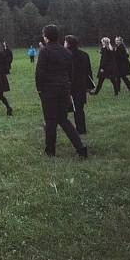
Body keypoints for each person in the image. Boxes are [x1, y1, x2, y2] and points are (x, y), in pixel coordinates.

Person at [36, 25, 88, 159]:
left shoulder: (45, 51)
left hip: (49, 90)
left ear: (46, 37)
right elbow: (71, 73)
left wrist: (40, 89)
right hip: (64, 89)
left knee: (50, 121)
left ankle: (50, 151)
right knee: (63, 119)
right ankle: (80, 148)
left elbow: (40, 73)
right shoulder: (66, 52)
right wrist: (68, 87)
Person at [65, 35, 94, 134]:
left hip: (69, 85)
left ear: (68, 43)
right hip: (81, 86)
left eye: (65, 42)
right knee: (79, 109)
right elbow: (89, 72)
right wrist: (89, 86)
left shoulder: (66, 55)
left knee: (63, 109)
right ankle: (81, 129)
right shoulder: (84, 55)